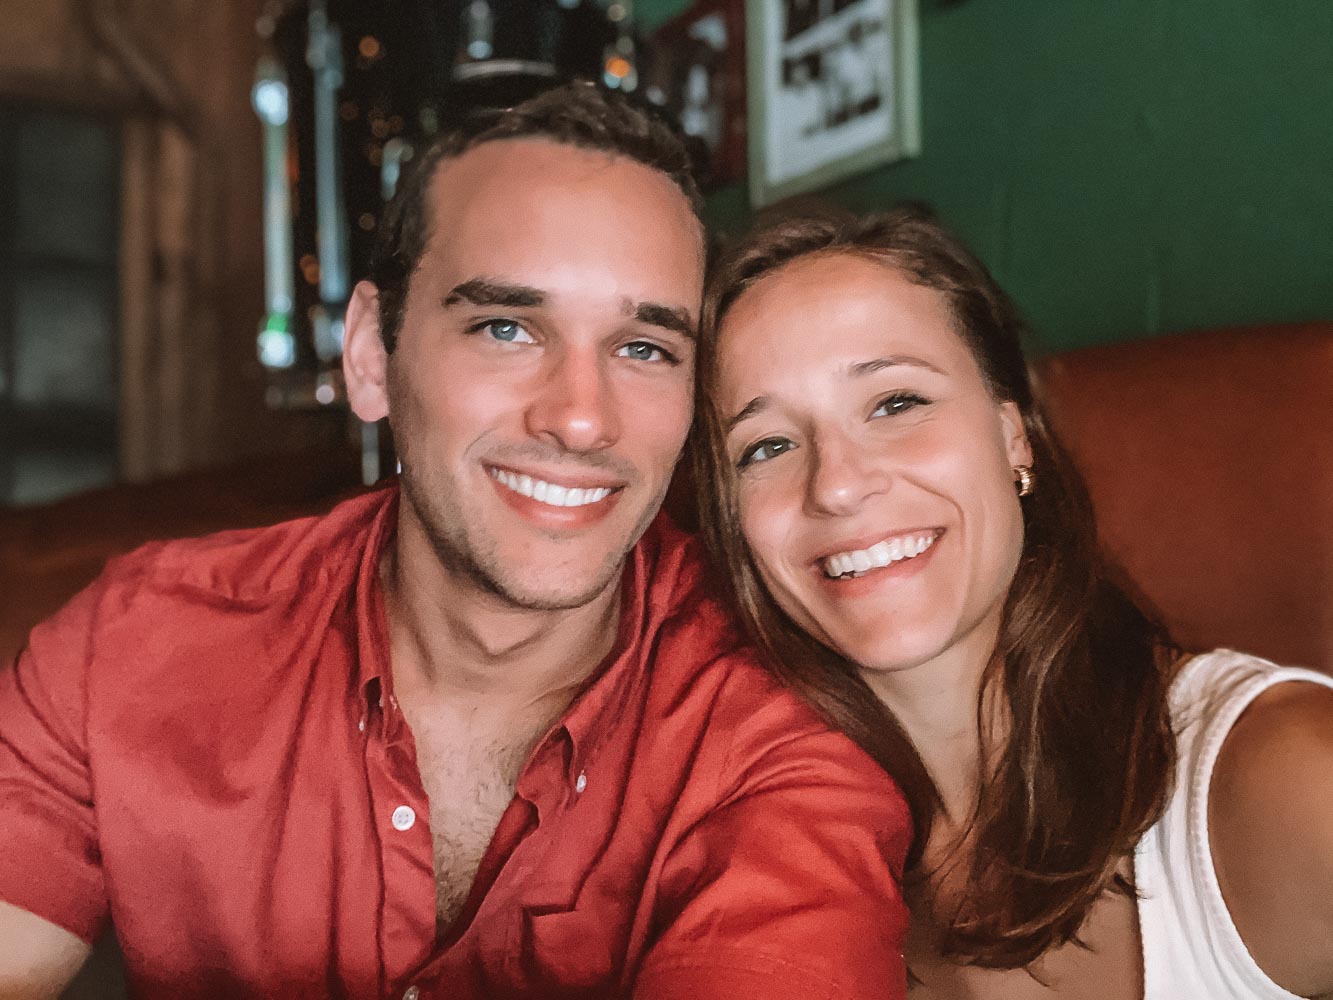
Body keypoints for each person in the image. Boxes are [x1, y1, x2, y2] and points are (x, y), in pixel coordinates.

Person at [0, 86, 914, 999]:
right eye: (506, 328)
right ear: (370, 355)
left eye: (643, 348)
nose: (581, 418)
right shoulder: (137, 642)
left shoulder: (785, 717)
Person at [693, 206, 1333, 1000]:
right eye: (767, 446)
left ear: (1012, 437)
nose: (837, 483)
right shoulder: (735, 863)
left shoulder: (1289, 783)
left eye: (896, 403)